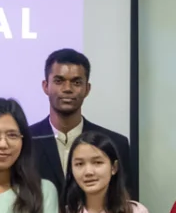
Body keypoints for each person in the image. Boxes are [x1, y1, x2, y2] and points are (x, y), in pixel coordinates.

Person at [29, 48, 136, 199]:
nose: (67, 89)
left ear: (87, 89)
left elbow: (126, 204)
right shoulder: (25, 141)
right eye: (59, 81)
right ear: (45, 86)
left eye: (76, 82)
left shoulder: (116, 143)